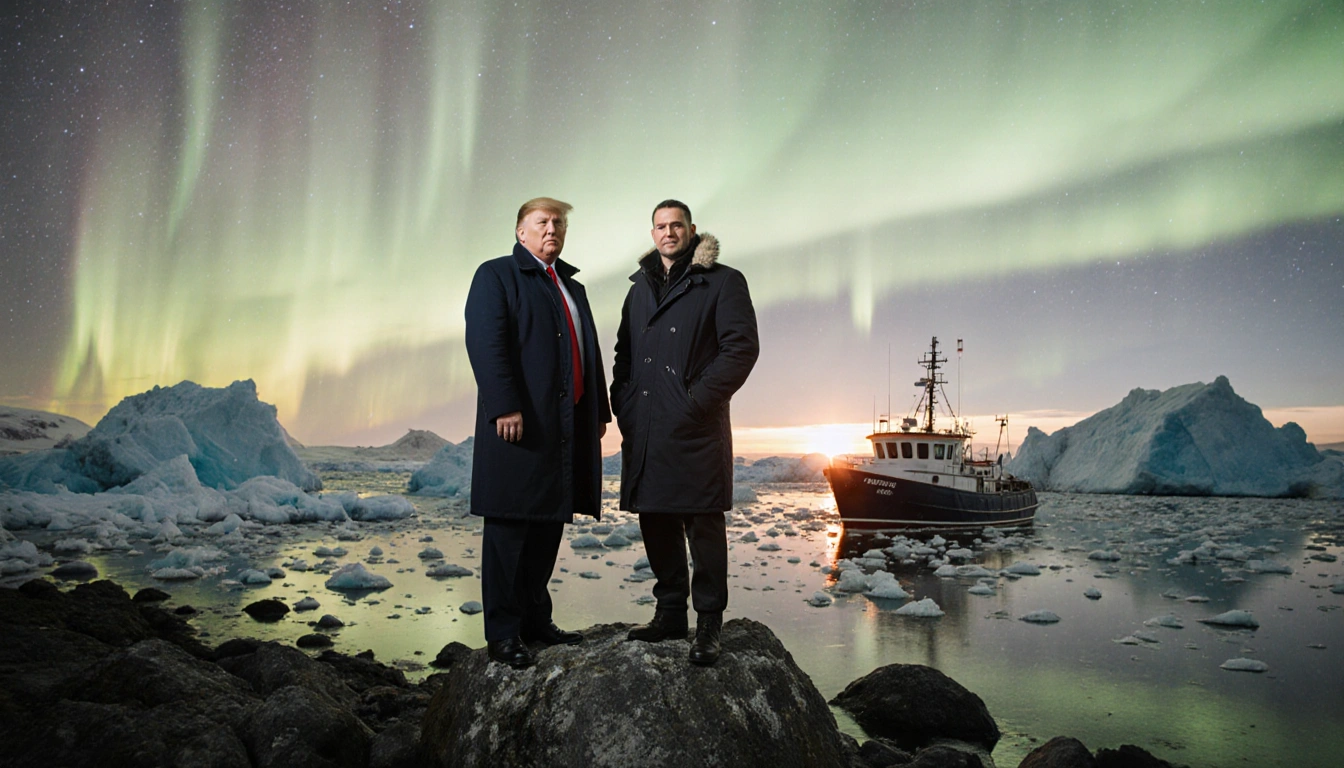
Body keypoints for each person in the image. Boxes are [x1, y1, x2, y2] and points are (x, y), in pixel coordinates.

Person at [464, 197, 611, 669]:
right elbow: (486, 342)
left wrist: (599, 412)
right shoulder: (496, 275)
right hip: (519, 425)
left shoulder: (571, 286)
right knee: (510, 527)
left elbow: (588, 351)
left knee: (548, 525)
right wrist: (505, 404)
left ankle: (535, 620)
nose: (552, 230)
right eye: (542, 222)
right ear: (520, 232)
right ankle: (504, 633)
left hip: (565, 428)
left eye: (559, 223)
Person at [611, 199, 759, 666]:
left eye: (677, 225)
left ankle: (709, 624)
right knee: (654, 516)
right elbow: (623, 354)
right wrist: (625, 402)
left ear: (692, 229)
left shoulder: (723, 281)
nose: (669, 232)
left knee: (702, 521)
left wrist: (696, 402)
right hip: (647, 425)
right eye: (660, 226)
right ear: (652, 233)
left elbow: (741, 350)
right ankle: (670, 612)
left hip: (696, 427)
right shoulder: (638, 289)